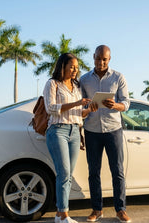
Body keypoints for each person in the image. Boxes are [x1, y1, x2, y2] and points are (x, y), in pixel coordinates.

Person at [43, 53, 97, 223]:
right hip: (57, 130)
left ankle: (60, 215)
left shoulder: (76, 86)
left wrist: (90, 109)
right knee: (64, 173)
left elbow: (79, 113)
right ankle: (64, 214)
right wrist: (77, 103)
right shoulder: (52, 84)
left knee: (68, 174)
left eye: (76, 67)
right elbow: (51, 108)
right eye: (71, 66)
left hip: (75, 131)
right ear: (62, 66)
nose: (75, 70)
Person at [80, 45, 131, 223]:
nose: (101, 62)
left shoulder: (118, 77)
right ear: (93, 57)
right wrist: (88, 107)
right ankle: (97, 209)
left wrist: (114, 105)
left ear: (109, 59)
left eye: (104, 59)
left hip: (113, 130)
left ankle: (120, 209)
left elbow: (126, 104)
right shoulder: (84, 79)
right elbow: (80, 106)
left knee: (117, 171)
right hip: (92, 130)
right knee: (93, 172)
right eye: (98, 58)